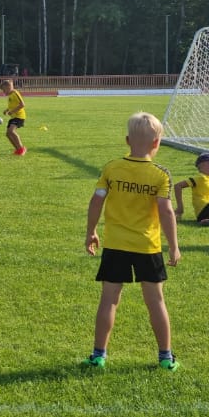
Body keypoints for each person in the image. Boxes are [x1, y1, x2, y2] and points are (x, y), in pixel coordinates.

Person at [84, 111, 180, 371]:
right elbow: (166, 210)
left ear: (127, 140)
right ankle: (165, 358)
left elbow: (97, 200)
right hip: (147, 246)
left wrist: (91, 231)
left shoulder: (112, 168)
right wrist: (173, 245)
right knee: (156, 302)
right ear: (157, 143)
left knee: (109, 300)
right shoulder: (160, 174)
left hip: (115, 245)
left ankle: (98, 355)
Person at [1, 78, 28, 155]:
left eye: (4, 90)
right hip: (14, 117)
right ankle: (17, 149)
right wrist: (7, 110)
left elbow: (22, 104)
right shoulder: (10, 95)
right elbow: (12, 105)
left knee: (11, 131)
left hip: (19, 116)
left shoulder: (15, 93)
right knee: (8, 134)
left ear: (8, 87)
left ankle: (22, 148)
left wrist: (12, 111)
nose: (3, 92)